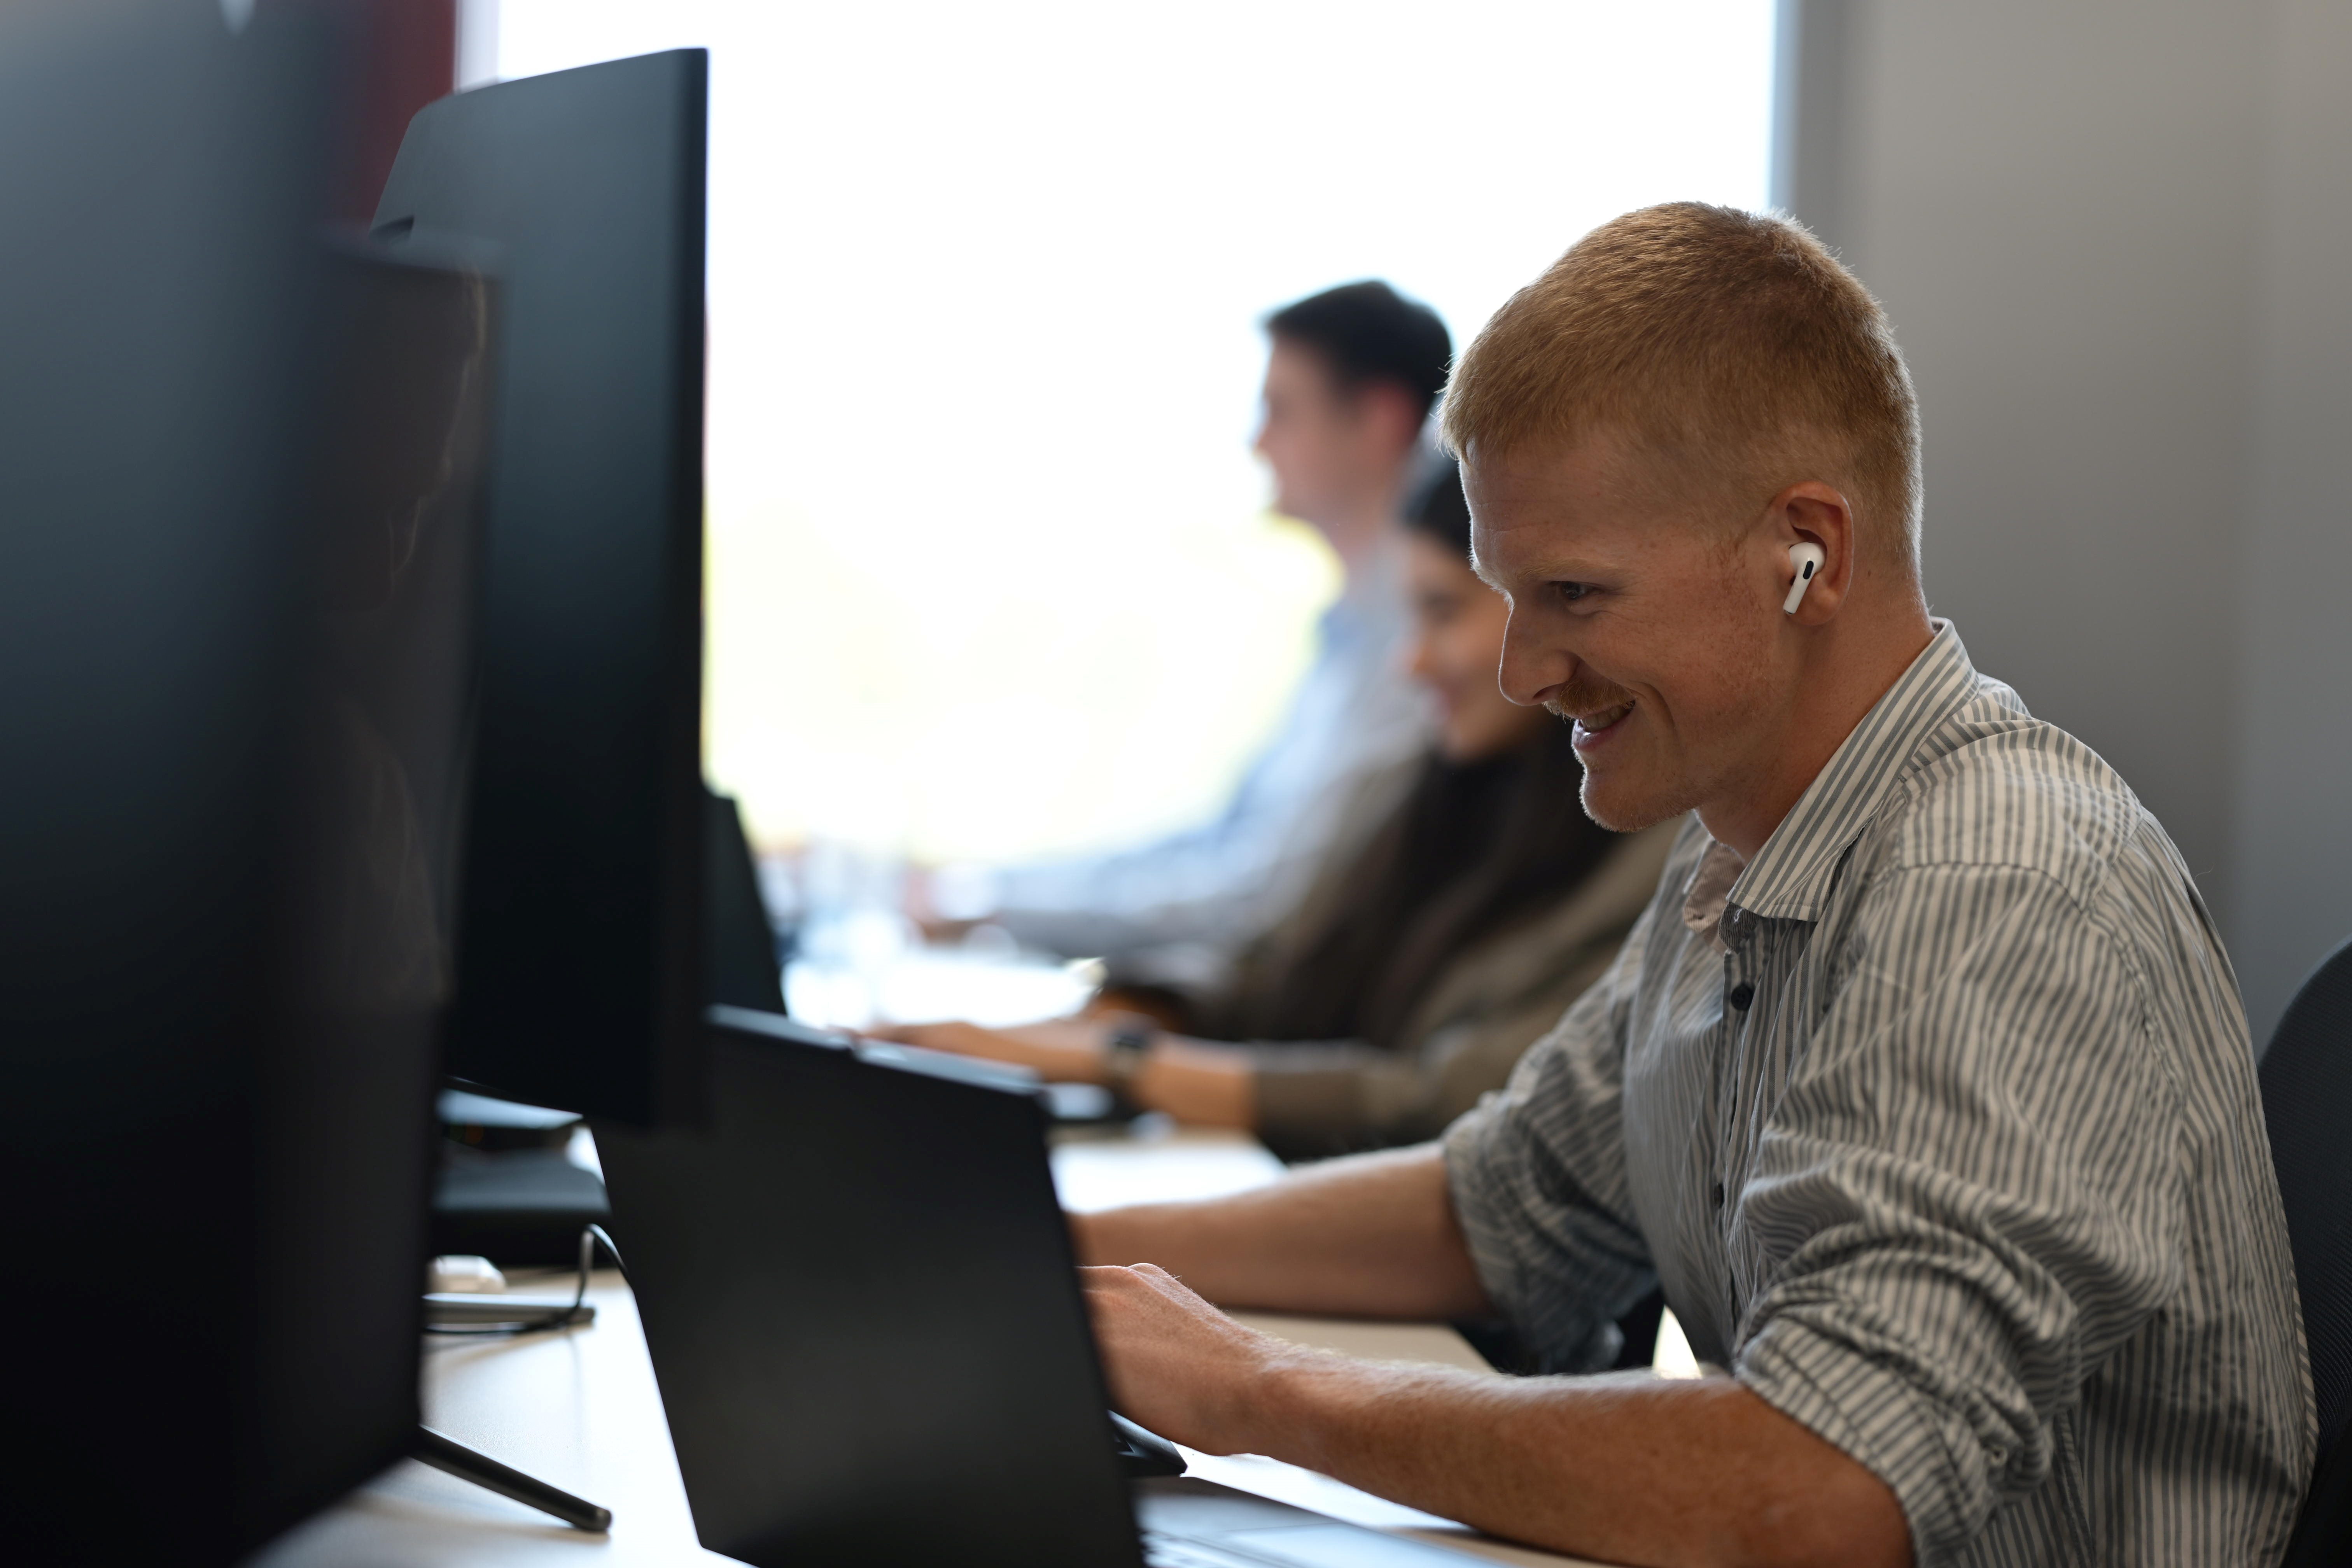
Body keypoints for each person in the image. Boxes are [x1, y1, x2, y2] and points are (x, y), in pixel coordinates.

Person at [1061, 205, 2313, 1567]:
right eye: (1508, 595)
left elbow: (1821, 1485)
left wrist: (1255, 1392)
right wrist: (1057, 1257)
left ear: (1807, 554)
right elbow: (1500, 1206)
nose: (1520, 670)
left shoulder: (1998, 883)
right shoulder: (1736, 850)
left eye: (1576, 596)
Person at [884, 461, 1678, 1160]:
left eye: (1442, 612)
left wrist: (1119, 1060)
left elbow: (1443, 1101)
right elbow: (1277, 961)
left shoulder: (1654, 849)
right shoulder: (1432, 786)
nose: (1411, 661)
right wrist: (1119, 1016)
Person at [950, 283, 1450, 985]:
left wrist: (993, 910)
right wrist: (988, 893)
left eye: (1280, 410)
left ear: (1379, 421)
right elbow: (1224, 843)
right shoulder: (1351, 630)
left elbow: (1260, 902)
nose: (1256, 442)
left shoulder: (1421, 643)